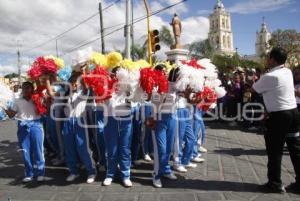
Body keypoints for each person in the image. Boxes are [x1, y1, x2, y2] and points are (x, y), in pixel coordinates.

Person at [253, 47, 300, 194]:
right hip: (293, 113)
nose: (267, 60)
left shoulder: (270, 76)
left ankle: (275, 183)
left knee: (275, 150)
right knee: (295, 149)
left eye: (268, 57)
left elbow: (255, 89)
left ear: (272, 59)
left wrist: (257, 78)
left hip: (279, 116)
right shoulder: (287, 72)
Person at [2, 82, 45, 182]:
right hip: (22, 127)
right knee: (25, 151)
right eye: (24, 88)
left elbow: (43, 111)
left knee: (38, 151)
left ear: (32, 89)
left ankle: (40, 172)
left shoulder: (37, 99)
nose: (25, 90)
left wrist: (39, 101)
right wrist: (4, 107)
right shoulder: (18, 101)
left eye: (28, 88)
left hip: (36, 125)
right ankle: (29, 173)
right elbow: (12, 115)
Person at [62, 72, 96, 184]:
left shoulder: (83, 93)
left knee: (83, 148)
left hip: (80, 121)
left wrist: (83, 71)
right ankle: (73, 171)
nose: (74, 84)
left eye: (76, 82)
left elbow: (86, 87)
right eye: (72, 82)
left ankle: (91, 171)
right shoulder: (66, 94)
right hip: (68, 122)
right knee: (69, 148)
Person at [102, 66, 133, 187]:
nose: (116, 76)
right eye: (114, 74)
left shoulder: (128, 86)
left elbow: (136, 97)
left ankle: (125, 175)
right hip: (110, 120)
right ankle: (110, 174)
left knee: (125, 149)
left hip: (126, 119)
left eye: (119, 73)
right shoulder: (106, 85)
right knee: (112, 149)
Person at [150, 65, 178, 188]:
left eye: (166, 71)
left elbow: (184, 98)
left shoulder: (173, 85)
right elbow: (156, 105)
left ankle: (166, 170)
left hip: (172, 118)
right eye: (162, 71)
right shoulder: (154, 86)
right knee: (160, 150)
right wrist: (164, 94)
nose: (164, 73)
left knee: (168, 149)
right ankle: (156, 175)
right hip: (159, 119)